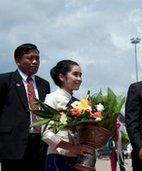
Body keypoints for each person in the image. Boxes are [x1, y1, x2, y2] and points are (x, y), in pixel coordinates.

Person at [0, 43, 50, 171]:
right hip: (12, 145)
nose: (35, 62)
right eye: (30, 58)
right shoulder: (5, 80)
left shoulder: (44, 84)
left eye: (37, 59)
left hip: (39, 144)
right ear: (18, 60)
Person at [42, 60, 90, 171]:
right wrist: (73, 148)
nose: (79, 79)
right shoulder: (52, 98)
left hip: (79, 160)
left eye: (80, 75)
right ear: (62, 77)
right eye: (75, 74)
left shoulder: (79, 103)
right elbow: (46, 133)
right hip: (58, 158)